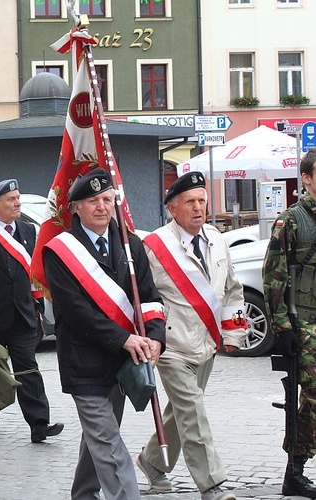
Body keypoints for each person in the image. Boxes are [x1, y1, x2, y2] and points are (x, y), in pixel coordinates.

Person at [42, 169, 166, 500]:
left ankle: (84, 494)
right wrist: (123, 338)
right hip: (84, 363)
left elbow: (150, 297)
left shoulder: (131, 244)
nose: (101, 206)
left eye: (107, 199)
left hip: (124, 362)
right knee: (109, 443)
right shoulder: (59, 251)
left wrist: (155, 336)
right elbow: (76, 312)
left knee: (99, 436)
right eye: (92, 200)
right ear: (76, 208)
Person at [138, 171, 244, 500]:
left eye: (202, 201)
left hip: (206, 344)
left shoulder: (217, 239)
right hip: (172, 346)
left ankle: (152, 461)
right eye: (189, 202)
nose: (198, 208)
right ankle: (211, 484)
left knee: (181, 411)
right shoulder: (155, 247)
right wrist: (152, 338)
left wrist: (233, 332)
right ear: (172, 208)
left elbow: (232, 290)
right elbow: (142, 295)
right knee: (193, 412)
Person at [0, 178, 63, 442]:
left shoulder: (28, 231)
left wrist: (37, 304)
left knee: (28, 368)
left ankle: (40, 424)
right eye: (11, 199)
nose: (18, 203)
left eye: (18, 198)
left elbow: (33, 273)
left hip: (21, 315)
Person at [264, 149, 316, 498]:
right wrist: (282, 327)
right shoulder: (293, 220)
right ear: (307, 179)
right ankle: (295, 469)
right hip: (306, 324)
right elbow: (274, 276)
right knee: (313, 398)